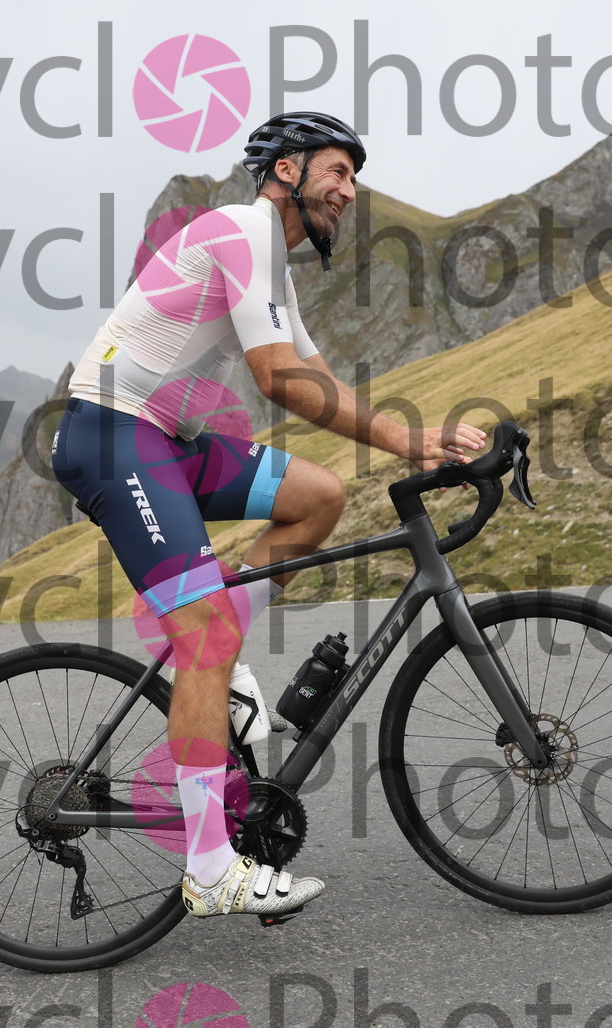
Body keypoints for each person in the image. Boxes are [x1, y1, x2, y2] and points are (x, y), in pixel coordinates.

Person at [51, 111, 485, 920]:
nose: (349, 192)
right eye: (338, 172)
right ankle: (211, 868)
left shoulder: (271, 265)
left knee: (317, 497)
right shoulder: (242, 230)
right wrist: (408, 441)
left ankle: (220, 676)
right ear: (287, 169)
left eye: (354, 178)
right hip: (113, 436)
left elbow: (315, 370)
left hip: (166, 440)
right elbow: (281, 379)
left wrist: (413, 437)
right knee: (205, 636)